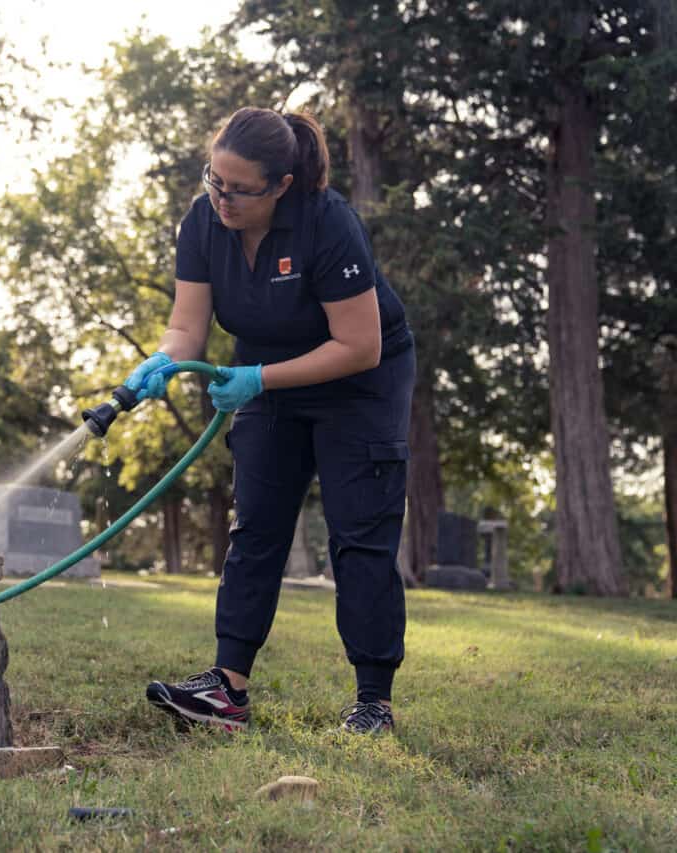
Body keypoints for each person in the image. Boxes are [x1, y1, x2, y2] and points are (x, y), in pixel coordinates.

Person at [129, 108, 415, 735]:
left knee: (358, 533)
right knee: (255, 525)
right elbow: (186, 327)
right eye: (214, 180)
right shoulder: (203, 220)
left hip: (359, 382)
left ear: (281, 185)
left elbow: (358, 345)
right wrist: (160, 362)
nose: (222, 198)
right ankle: (227, 690)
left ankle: (374, 703)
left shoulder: (327, 223)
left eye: (240, 189)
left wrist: (258, 379)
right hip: (264, 370)